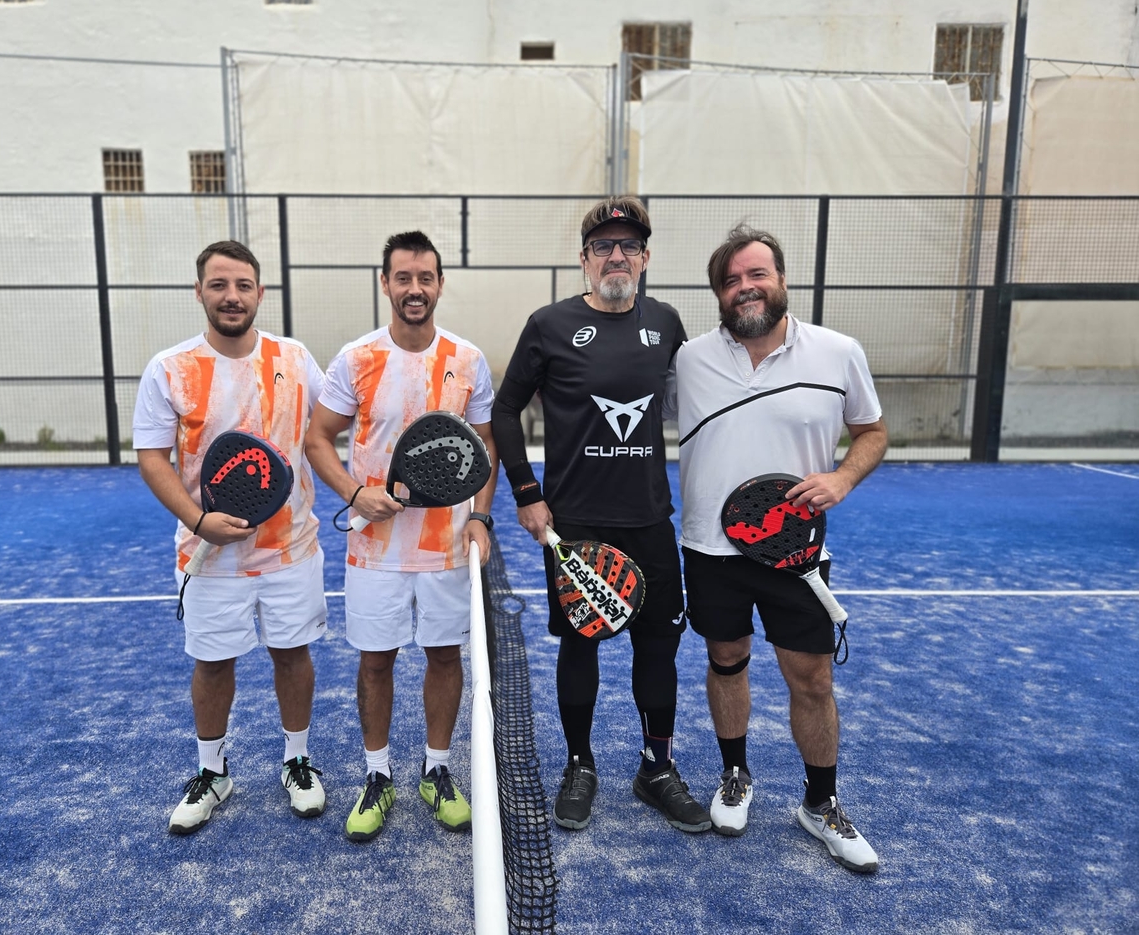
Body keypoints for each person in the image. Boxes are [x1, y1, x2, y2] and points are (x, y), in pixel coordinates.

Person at [490, 196, 709, 833]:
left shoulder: (666, 322)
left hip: (650, 519)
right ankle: (579, 764)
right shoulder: (549, 324)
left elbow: (694, 401)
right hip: (576, 524)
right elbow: (504, 411)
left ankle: (656, 769)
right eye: (604, 246)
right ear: (584, 260)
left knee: (658, 647)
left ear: (645, 257)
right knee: (580, 644)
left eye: (629, 246)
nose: (617, 256)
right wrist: (526, 493)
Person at [676, 224, 888, 872]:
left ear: (782, 279)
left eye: (756, 274)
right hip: (709, 549)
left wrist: (842, 478)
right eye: (731, 280)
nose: (745, 288)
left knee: (812, 678)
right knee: (726, 660)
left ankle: (820, 804)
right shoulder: (689, 360)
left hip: (794, 553)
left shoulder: (838, 352)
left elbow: (873, 431)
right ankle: (735, 775)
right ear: (718, 293)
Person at [304, 230, 498, 843]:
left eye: (425, 278)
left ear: (439, 284)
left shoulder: (468, 359)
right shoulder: (356, 358)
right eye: (404, 278)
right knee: (376, 661)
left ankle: (436, 771)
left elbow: (485, 445)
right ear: (385, 283)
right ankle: (378, 774)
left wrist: (480, 516)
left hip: (447, 547)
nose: (415, 289)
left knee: (444, 656)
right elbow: (317, 438)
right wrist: (354, 493)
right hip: (375, 548)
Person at [134, 240, 330, 835]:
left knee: (292, 654)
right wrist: (199, 522)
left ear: (260, 293)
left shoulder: (295, 359)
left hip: (291, 548)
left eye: (243, 285)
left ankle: (296, 761)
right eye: (218, 285)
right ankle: (212, 772)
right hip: (209, 554)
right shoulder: (169, 368)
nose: (231, 296)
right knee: (213, 662)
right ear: (199, 291)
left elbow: (330, 430)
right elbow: (152, 458)